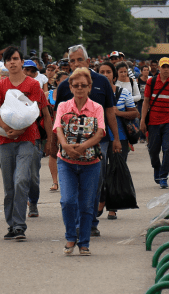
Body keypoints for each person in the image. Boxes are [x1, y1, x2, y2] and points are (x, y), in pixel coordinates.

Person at [55, 44, 121, 237]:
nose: (76, 64)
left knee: (94, 182)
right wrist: (54, 142)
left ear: (88, 61)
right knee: (72, 185)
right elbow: (58, 118)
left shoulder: (101, 82)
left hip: (99, 140)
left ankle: (91, 221)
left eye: (79, 60)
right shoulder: (65, 85)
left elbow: (110, 111)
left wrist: (116, 138)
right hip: (70, 143)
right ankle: (77, 222)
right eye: (72, 61)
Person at [0, 47, 54, 241]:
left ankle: (19, 225)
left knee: (21, 180)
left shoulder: (33, 85)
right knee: (9, 186)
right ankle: (12, 225)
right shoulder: (0, 85)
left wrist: (50, 140)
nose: (12, 62)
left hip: (28, 139)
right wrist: (5, 127)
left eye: (16, 59)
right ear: (5, 63)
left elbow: (42, 113)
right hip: (4, 140)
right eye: (8, 59)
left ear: (21, 61)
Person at [54, 67, 105, 256]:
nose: (80, 89)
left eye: (84, 85)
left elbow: (100, 132)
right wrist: (65, 146)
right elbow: (58, 128)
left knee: (86, 204)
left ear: (90, 87)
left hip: (91, 163)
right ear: (71, 87)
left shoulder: (97, 108)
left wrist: (83, 147)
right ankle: (70, 237)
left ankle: (84, 243)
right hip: (66, 161)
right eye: (76, 85)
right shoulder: (63, 107)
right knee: (67, 201)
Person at [97, 61, 139, 219]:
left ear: (114, 76)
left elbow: (135, 113)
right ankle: (101, 199)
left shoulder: (123, 93)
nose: (105, 75)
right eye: (102, 72)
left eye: (108, 72)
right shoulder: (94, 93)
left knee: (114, 172)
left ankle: (112, 207)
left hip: (119, 139)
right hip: (99, 138)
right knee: (100, 172)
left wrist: (118, 113)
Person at [140, 57, 169, 189]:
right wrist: (143, 120)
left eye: (168, 67)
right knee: (153, 150)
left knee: (168, 149)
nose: (166, 69)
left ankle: (163, 176)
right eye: (163, 66)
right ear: (159, 68)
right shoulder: (152, 81)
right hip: (154, 121)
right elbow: (146, 101)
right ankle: (157, 168)